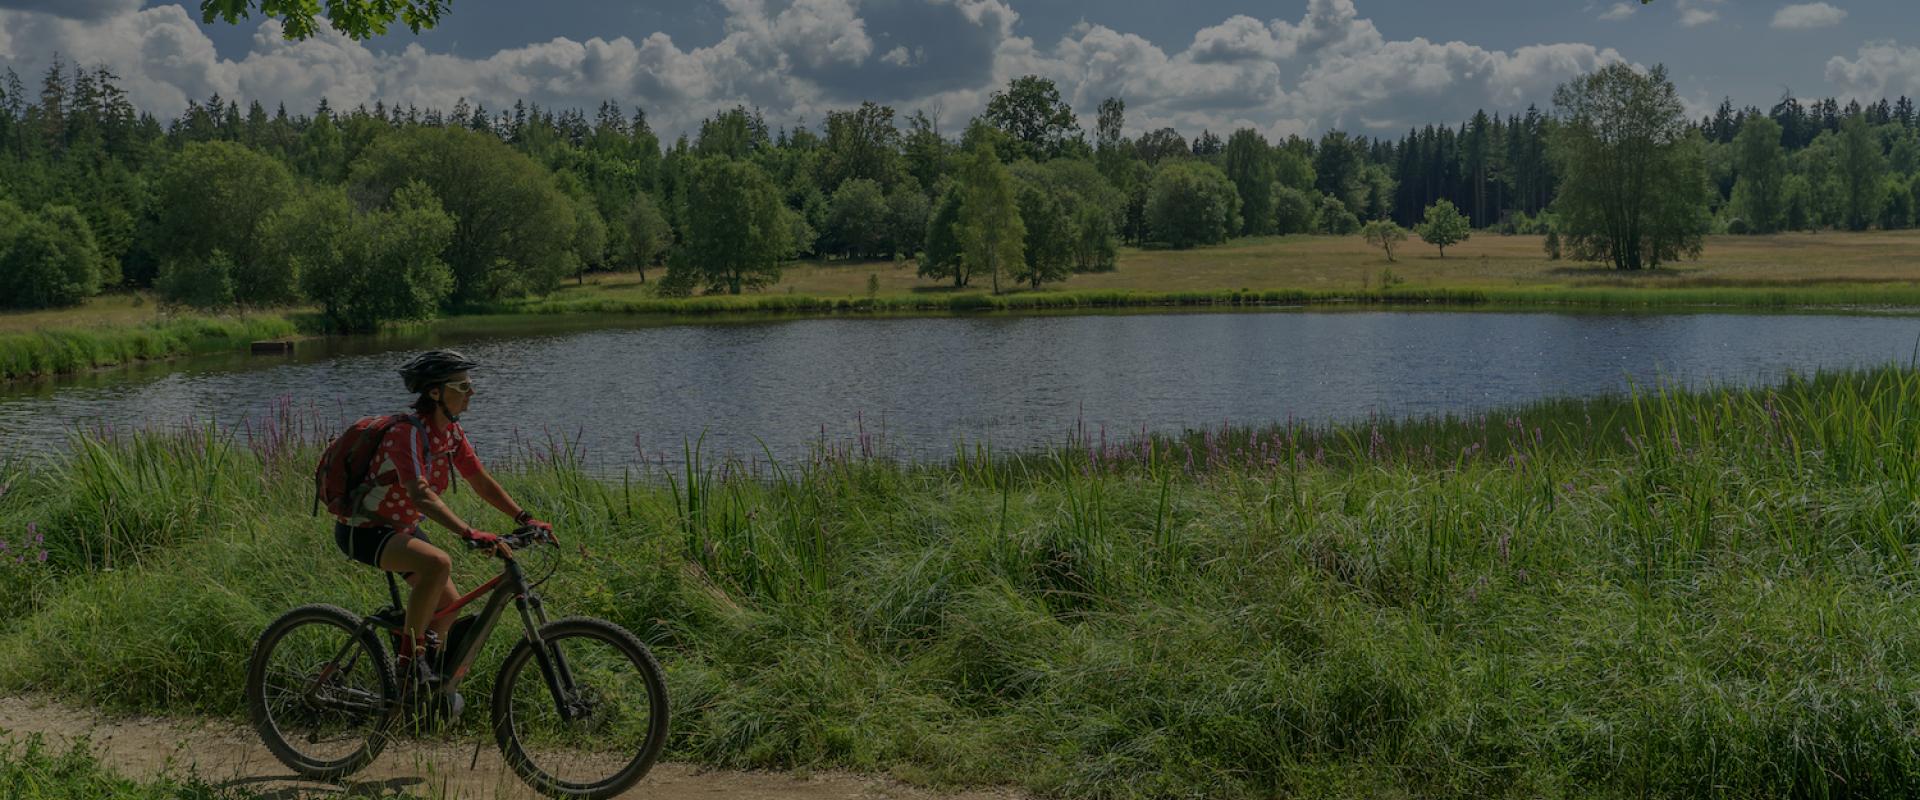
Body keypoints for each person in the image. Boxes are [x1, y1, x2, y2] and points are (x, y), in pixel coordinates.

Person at [330, 349, 550, 690]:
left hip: (399, 528)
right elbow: (420, 494)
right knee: (437, 563)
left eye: (469, 385)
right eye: (461, 386)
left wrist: (525, 518)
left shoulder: (451, 434)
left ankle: (416, 692)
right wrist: (468, 531)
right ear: (435, 392)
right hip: (364, 529)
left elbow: (479, 480)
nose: (471, 392)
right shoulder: (406, 433)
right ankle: (409, 663)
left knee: (449, 607)